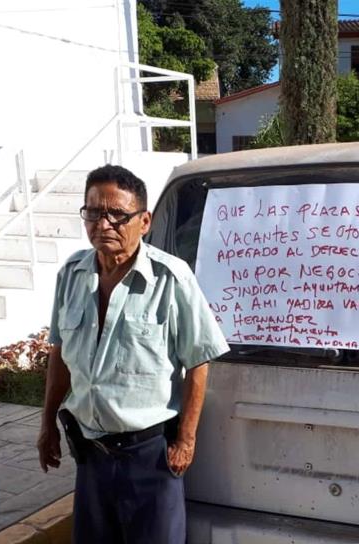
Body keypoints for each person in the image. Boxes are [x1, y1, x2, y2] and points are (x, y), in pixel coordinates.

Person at [36, 164, 228, 543]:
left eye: (116, 215)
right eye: (93, 212)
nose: (103, 224)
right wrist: (46, 426)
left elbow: (199, 362)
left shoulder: (172, 278)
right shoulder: (71, 274)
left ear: (143, 221)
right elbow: (59, 355)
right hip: (90, 454)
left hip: (150, 457)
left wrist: (185, 441)